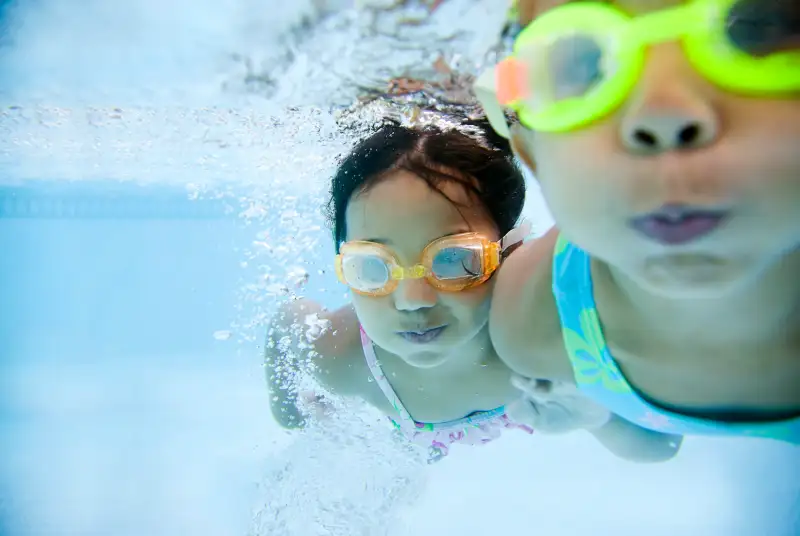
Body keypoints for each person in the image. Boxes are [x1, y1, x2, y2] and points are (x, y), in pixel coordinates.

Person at [475, 0, 800, 444]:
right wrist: (603, 419)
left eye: (758, 31)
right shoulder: (532, 324)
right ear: (533, 155)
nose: (662, 115)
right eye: (583, 65)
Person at [263, 118, 678, 463]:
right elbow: (286, 333)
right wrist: (293, 416)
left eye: (454, 260)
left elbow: (662, 446)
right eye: (372, 267)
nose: (413, 300)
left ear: (511, 251)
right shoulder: (338, 356)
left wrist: (601, 416)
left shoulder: (553, 328)